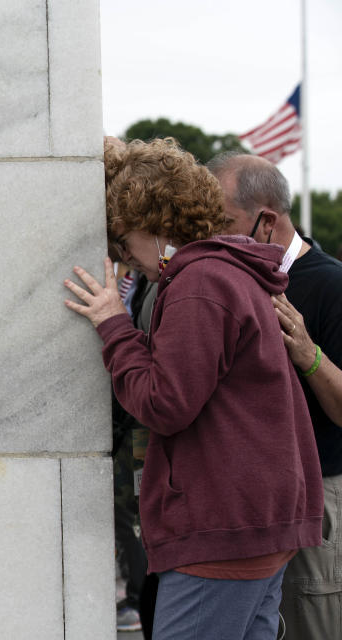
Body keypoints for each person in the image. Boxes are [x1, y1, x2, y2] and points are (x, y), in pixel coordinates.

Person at [64, 138, 323, 639]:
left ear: (152, 222)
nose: (123, 258)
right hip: (253, 523)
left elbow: (165, 404)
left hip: (222, 530)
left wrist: (115, 326)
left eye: (122, 240)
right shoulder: (230, 271)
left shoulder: (200, 283)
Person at [208, 152, 342, 638]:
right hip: (254, 503)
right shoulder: (231, 279)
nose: (207, 233)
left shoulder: (329, 282)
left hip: (316, 494)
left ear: (266, 221)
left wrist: (308, 353)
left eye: (221, 221)